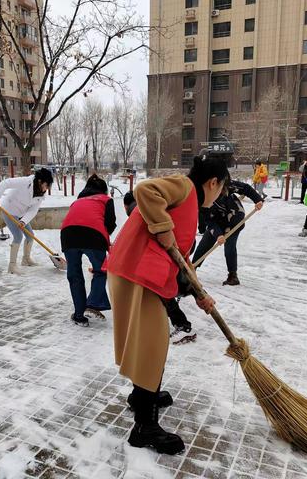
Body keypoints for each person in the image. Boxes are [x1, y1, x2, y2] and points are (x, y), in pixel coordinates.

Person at [106, 155, 228, 455]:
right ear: (212, 182)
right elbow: (145, 191)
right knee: (153, 344)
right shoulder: (184, 187)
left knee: (148, 342)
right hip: (135, 273)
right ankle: (144, 427)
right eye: (221, 188)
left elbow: (179, 258)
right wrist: (161, 225)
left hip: (138, 273)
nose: (219, 195)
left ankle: (141, 396)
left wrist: (198, 293)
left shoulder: (188, 207)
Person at [123, 190, 195, 345]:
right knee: (172, 281)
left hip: (165, 248)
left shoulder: (134, 210)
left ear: (125, 205)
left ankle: (183, 325)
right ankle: (193, 294)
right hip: (177, 243)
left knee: (160, 288)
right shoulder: (147, 205)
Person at [61, 174, 116, 326]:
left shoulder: (77, 201)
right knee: (101, 270)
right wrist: (105, 237)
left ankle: (79, 315)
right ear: (103, 190)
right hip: (93, 236)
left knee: (75, 275)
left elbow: (74, 218)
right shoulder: (106, 199)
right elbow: (110, 223)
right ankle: (92, 304)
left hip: (68, 235)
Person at [192, 177, 263, 286]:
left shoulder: (225, 185)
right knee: (204, 244)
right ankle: (192, 270)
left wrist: (257, 199)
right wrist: (218, 235)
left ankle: (233, 276)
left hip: (234, 221)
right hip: (216, 223)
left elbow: (245, 188)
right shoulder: (202, 200)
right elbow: (209, 221)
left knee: (230, 246)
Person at [0, 168, 53, 273]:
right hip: (9, 210)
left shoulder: (40, 194)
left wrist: (23, 221)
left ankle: (26, 259)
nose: (47, 188)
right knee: (18, 236)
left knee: (30, 236)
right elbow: (6, 183)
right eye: (46, 185)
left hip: (21, 214)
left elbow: (33, 210)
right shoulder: (25, 182)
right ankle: (12, 266)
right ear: (40, 181)